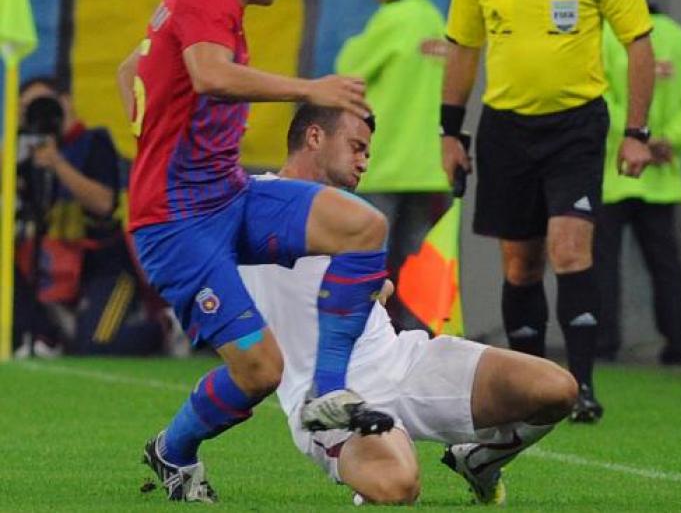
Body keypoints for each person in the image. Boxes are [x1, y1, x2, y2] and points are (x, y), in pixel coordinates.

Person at [116, 0, 395, 502]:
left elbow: (127, 70)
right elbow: (212, 77)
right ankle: (173, 451)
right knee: (261, 372)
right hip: (176, 224)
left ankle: (326, 395)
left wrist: (153, 122)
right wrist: (309, 88)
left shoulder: (204, 1)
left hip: (229, 196)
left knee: (363, 227)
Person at [239, 104, 577, 505]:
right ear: (315, 137)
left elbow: (350, 287)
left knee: (556, 389)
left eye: (367, 151)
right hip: (328, 397)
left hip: (404, 360)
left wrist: (375, 291)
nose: (364, 160)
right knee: (398, 488)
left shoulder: (356, 218)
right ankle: (374, 460)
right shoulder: (249, 201)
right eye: (356, 147)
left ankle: (481, 461)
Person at [440, 0, 655, 423]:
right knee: (521, 266)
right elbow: (464, 47)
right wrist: (450, 132)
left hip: (576, 125)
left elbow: (638, 41)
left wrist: (637, 131)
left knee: (569, 249)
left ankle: (581, 386)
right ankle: (533, 388)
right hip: (506, 127)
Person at [593, 0, 681, 365]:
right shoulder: (679, 37)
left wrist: (632, 138)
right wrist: (667, 141)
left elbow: (597, 99)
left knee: (604, 263)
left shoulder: (604, 36)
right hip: (662, 172)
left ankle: (604, 344)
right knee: (666, 262)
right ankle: (679, 344)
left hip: (614, 169)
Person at [335, 0, 452, 333]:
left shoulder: (391, 19)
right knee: (420, 265)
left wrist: (353, 45)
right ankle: (419, 341)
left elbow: (348, 68)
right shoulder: (437, 21)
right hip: (429, 169)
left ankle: (363, 336)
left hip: (385, 162)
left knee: (367, 261)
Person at [11, 77, 121, 355]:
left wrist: (57, 163)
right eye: (27, 109)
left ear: (65, 102)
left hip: (102, 267)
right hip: (47, 271)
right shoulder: (24, 154)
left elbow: (104, 204)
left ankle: (164, 327)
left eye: (42, 103)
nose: (37, 113)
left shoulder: (94, 142)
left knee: (95, 344)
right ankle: (47, 332)